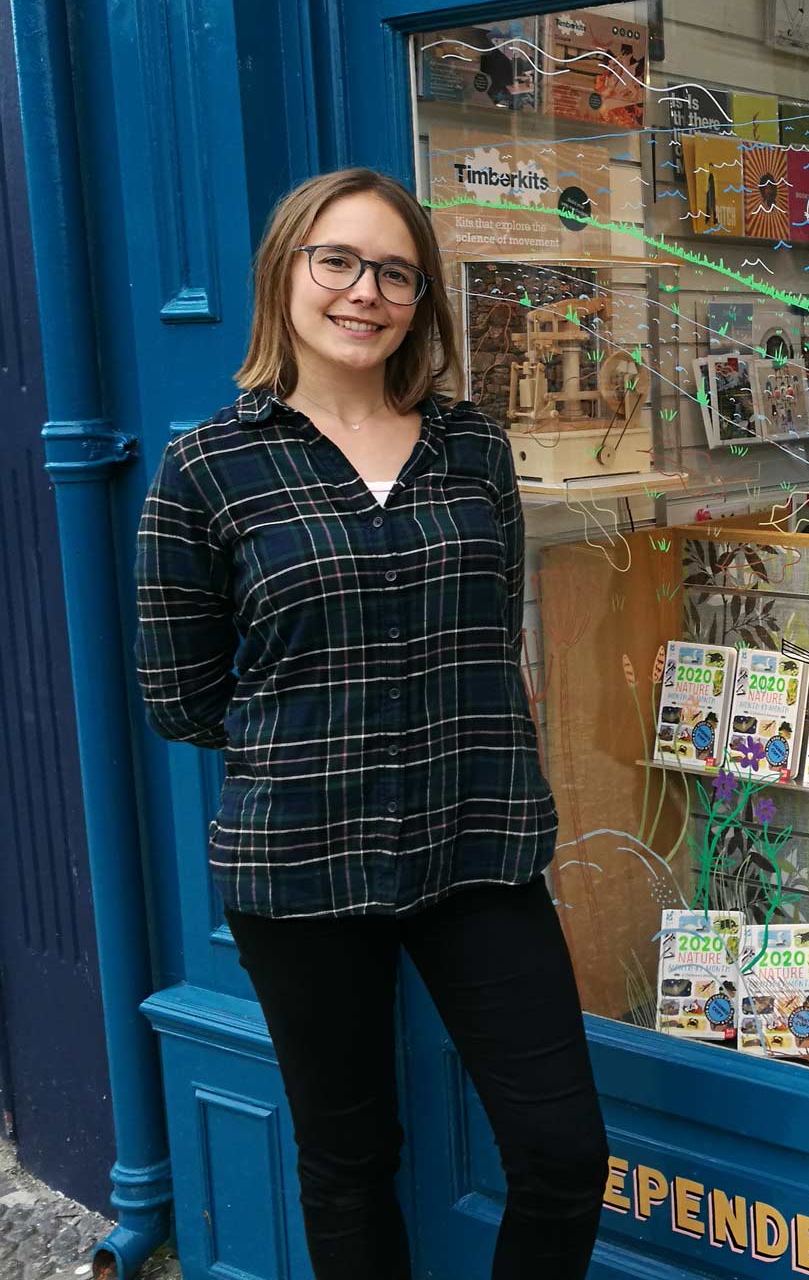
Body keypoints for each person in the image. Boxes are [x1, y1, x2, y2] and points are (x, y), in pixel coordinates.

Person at [134, 170, 608, 1280]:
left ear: (421, 299)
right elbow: (180, 693)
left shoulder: (472, 449)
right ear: (285, 275)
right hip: (302, 862)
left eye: (395, 271)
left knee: (562, 1151)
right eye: (337, 261)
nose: (366, 291)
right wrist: (316, 737)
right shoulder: (209, 466)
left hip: (476, 847)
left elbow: (491, 633)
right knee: (349, 1160)